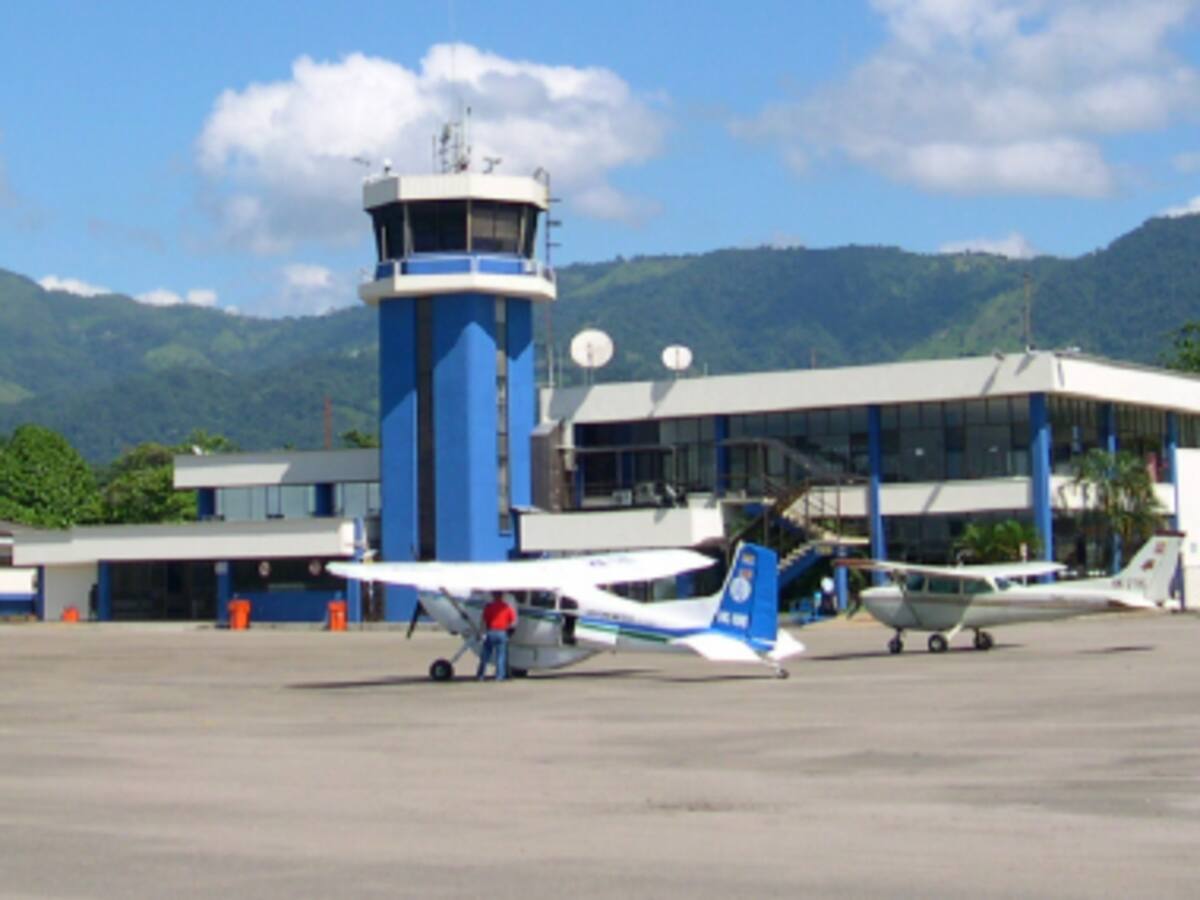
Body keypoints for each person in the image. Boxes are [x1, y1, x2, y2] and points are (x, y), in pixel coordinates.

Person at [477, 591, 517, 681]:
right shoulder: (506, 607)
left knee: (485, 656)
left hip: (491, 631)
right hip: (502, 632)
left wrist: (482, 632)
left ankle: (481, 675)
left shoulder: (489, 607)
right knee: (500, 656)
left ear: (493, 596)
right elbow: (512, 620)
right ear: (502, 596)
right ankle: (499, 676)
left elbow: (484, 620)